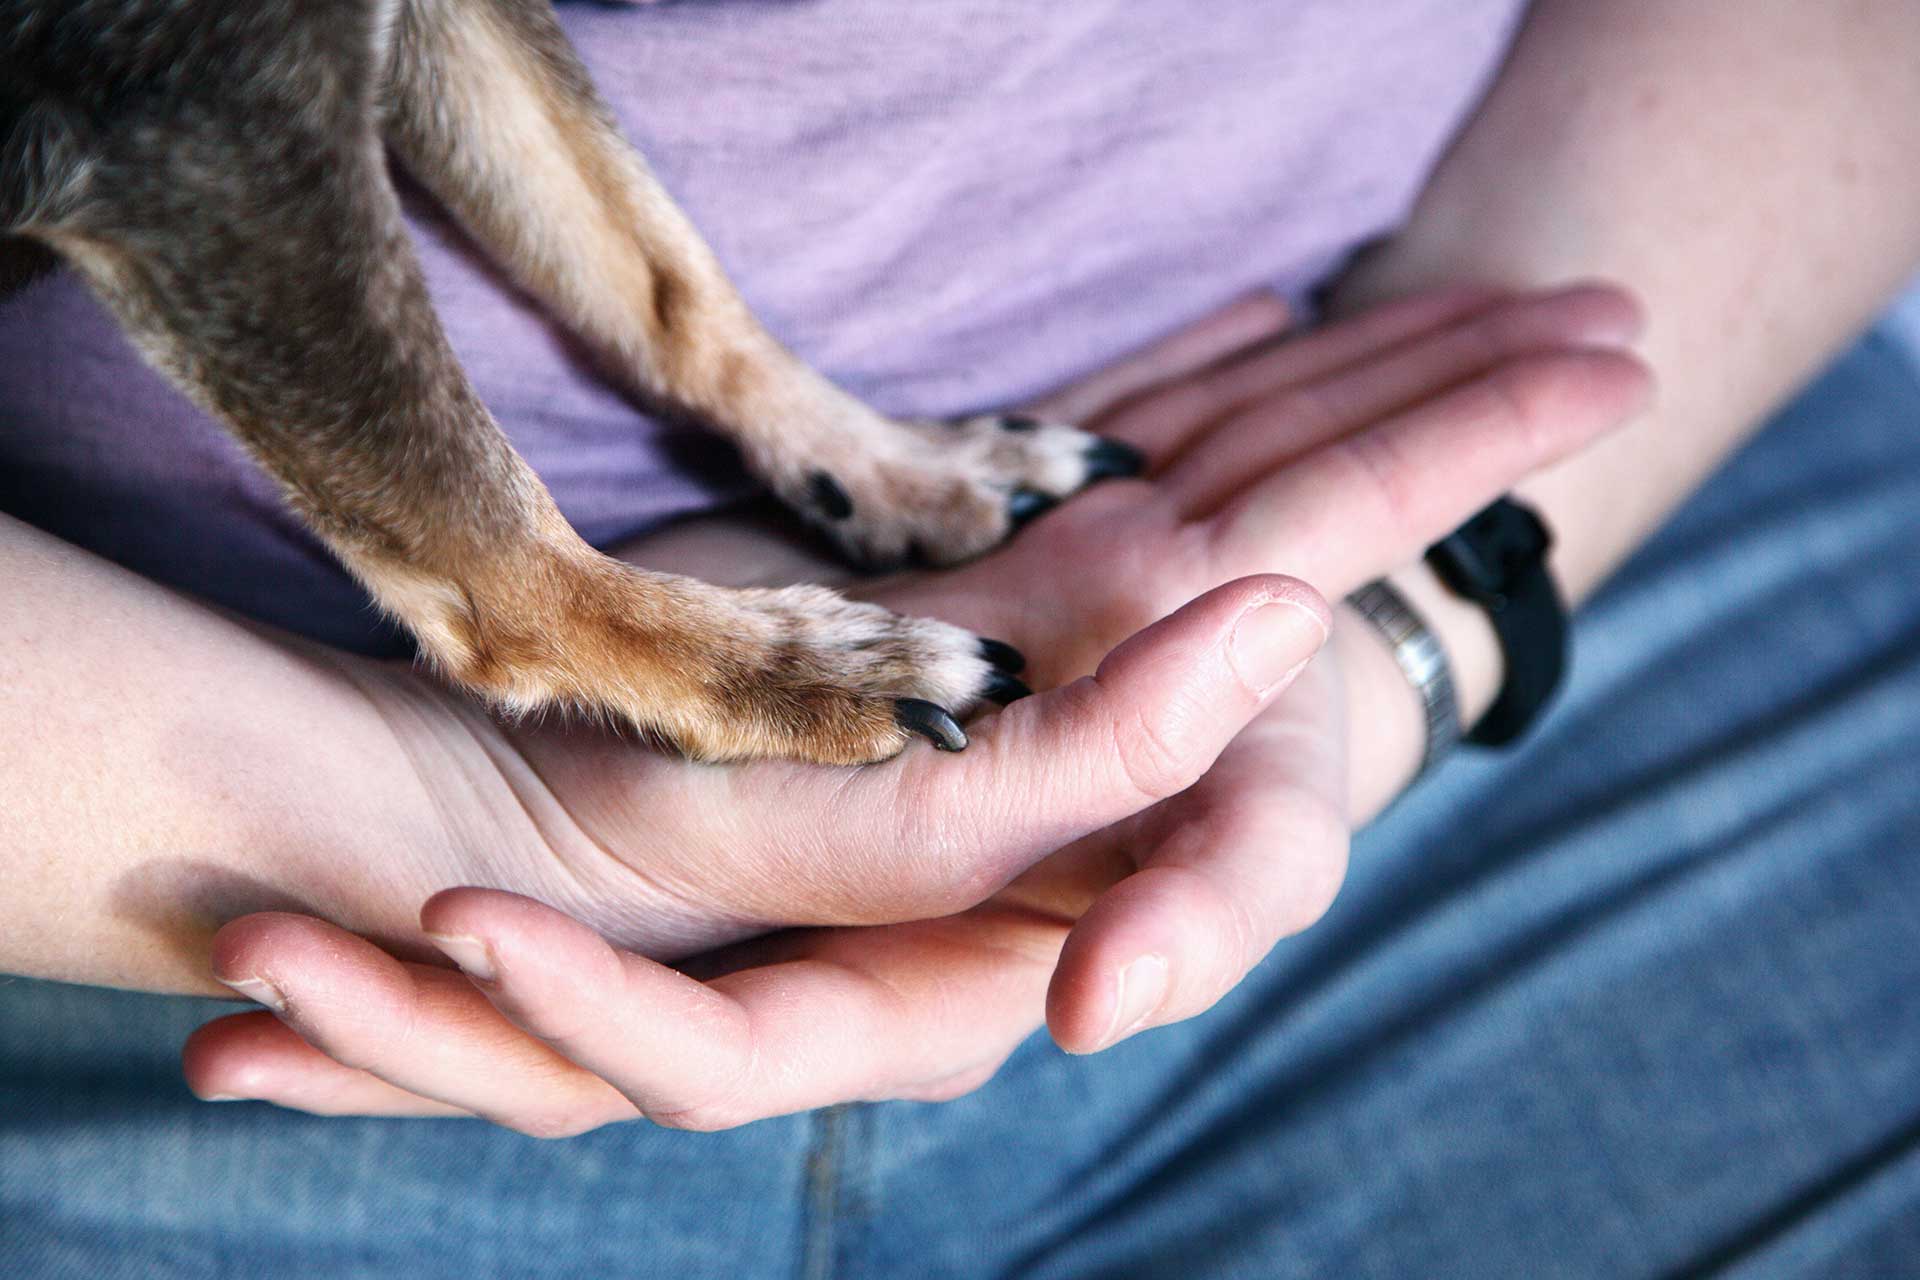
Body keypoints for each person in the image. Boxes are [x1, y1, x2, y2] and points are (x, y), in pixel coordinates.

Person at [3, 1, 1917, 1274]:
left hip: (1570, 475)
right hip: (170, 880)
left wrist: (1406, 603)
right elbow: (185, 97)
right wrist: (460, 792)